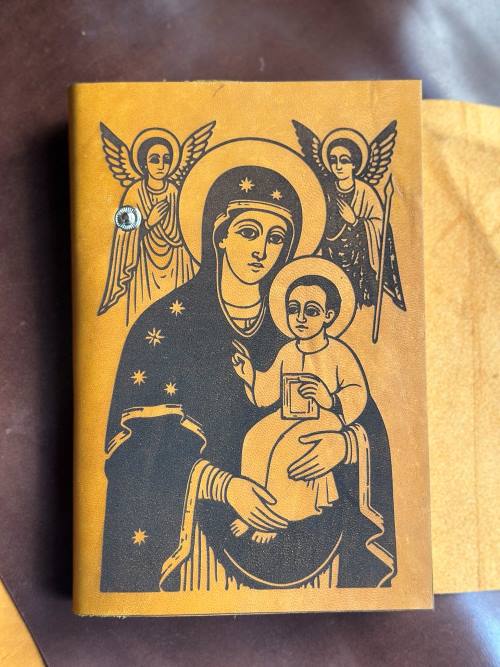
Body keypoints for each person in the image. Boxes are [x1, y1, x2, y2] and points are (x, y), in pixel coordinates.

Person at [100, 164, 396, 593]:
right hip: (198, 548)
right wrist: (224, 487)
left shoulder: (299, 327)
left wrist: (344, 446)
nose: (261, 250)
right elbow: (135, 447)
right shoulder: (166, 325)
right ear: (219, 235)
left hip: (321, 551)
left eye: (275, 239)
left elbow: (367, 418)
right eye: (248, 232)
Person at [230, 269, 368, 544]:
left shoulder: (339, 352)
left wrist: (328, 398)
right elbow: (267, 393)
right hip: (288, 414)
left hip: (325, 418)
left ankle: (278, 516)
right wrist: (250, 376)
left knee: (287, 446)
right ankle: (254, 512)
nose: (301, 318)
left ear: (329, 316)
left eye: (312, 311)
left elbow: (357, 392)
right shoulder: (288, 351)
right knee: (255, 438)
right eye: (294, 309)